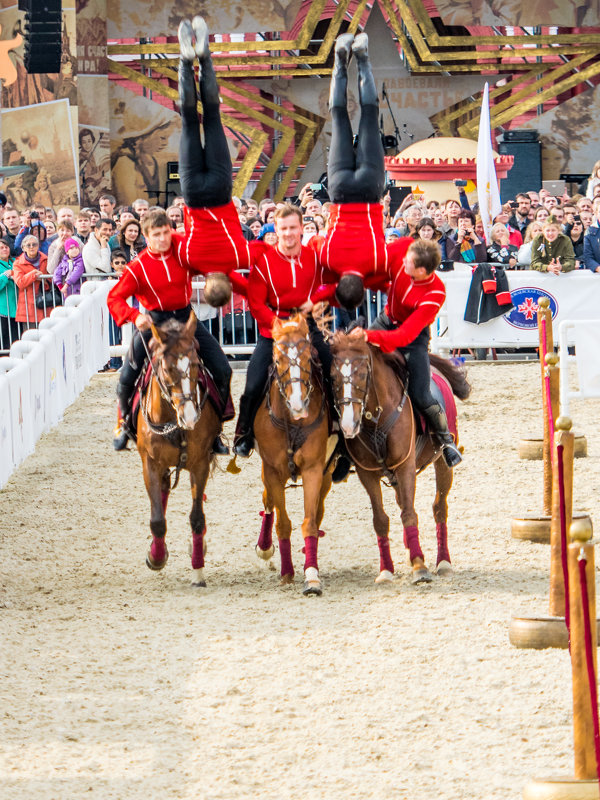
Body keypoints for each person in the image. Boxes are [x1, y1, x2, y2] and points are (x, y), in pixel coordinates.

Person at [107, 208, 232, 453]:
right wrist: (135, 315)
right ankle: (123, 426)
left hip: (186, 319)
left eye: (166, 233)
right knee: (126, 377)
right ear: (146, 236)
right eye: (156, 234)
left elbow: (204, 255)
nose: (163, 239)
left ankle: (216, 429)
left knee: (223, 369)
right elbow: (114, 298)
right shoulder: (137, 267)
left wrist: (214, 276)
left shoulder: (181, 251)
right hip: (154, 322)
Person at [349, 238, 462, 468]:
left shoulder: (435, 293)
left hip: (412, 339)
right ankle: (341, 444)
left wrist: (369, 336)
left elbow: (404, 336)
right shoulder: (405, 249)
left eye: (408, 264)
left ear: (421, 270)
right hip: (385, 320)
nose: (402, 263)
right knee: (350, 364)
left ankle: (445, 440)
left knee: (421, 393)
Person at [232, 204, 332, 457]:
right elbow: (256, 302)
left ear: (301, 229)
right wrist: (277, 325)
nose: (288, 233)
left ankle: (339, 433)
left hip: (307, 325)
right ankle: (243, 433)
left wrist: (315, 298)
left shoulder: (313, 257)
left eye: (293, 228)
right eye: (283, 228)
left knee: (333, 370)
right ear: (276, 229)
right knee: (254, 381)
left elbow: (329, 284)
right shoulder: (264, 261)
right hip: (274, 328)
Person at [310, 32, 387, 310]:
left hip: (369, 190)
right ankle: (340, 61)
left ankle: (363, 57)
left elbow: (388, 275)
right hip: (340, 191)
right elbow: (315, 243)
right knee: (338, 116)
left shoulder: (377, 262)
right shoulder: (329, 259)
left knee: (369, 113)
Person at [176, 15, 251, 295]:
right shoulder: (190, 262)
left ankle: (205, 59)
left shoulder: (237, 258)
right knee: (188, 120)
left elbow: (264, 252)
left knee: (213, 117)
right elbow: (172, 243)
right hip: (193, 195)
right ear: (205, 284)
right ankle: (185, 62)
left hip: (221, 192)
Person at [12, 234, 49, 329]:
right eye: (28, 245)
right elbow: (20, 282)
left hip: (46, 304)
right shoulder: (18, 263)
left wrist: (44, 279)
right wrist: (33, 274)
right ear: (23, 248)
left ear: (38, 246)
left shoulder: (46, 259)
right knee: (30, 339)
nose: (32, 247)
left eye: (34, 244)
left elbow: (52, 279)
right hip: (28, 308)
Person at [0, 237, 19, 348]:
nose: (4, 249)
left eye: (6, 247)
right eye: (1, 248)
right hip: (3, 309)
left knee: (15, 340)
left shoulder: (15, 262)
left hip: (17, 308)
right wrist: (6, 276)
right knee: (4, 341)